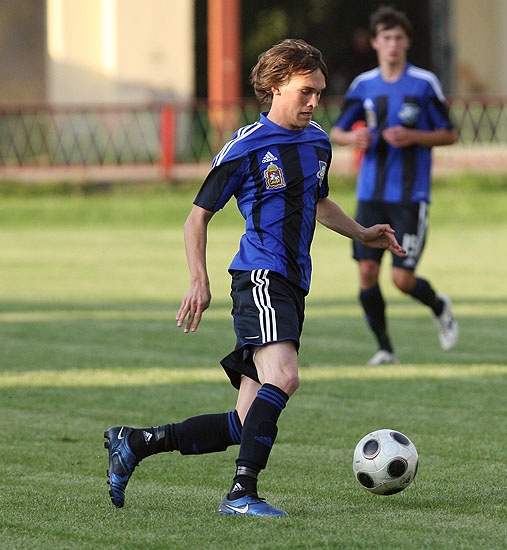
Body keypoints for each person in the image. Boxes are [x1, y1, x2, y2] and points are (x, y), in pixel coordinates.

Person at [104, 39, 405, 517]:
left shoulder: (318, 141)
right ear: (275, 86)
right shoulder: (246, 146)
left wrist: (363, 232)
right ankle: (241, 494)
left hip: (295, 282)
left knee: (245, 422)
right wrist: (198, 280)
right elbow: (196, 218)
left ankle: (136, 442)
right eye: (305, 91)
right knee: (284, 377)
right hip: (260, 276)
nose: (314, 101)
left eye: (319, 92)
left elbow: (318, 201)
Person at [330, 6, 459, 366]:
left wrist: (414, 136)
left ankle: (438, 305)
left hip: (409, 195)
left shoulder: (424, 83)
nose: (392, 44)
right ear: (374, 42)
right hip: (370, 194)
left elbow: (451, 133)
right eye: (386, 38)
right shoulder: (363, 85)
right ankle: (385, 348)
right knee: (367, 272)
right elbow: (337, 130)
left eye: (398, 38)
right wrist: (352, 139)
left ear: (407, 42)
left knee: (402, 278)